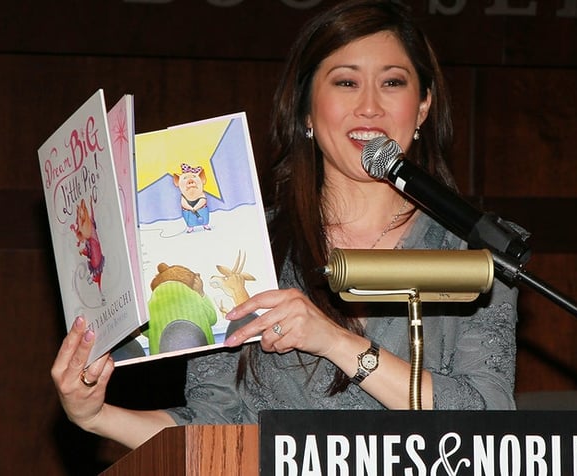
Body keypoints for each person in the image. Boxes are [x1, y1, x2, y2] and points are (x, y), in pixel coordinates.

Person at [51, 0, 519, 450]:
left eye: (393, 83)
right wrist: (96, 416)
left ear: (421, 108)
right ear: (306, 112)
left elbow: (492, 422)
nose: (371, 107)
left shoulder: (475, 249)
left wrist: (336, 342)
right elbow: (216, 427)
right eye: (346, 83)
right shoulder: (246, 243)